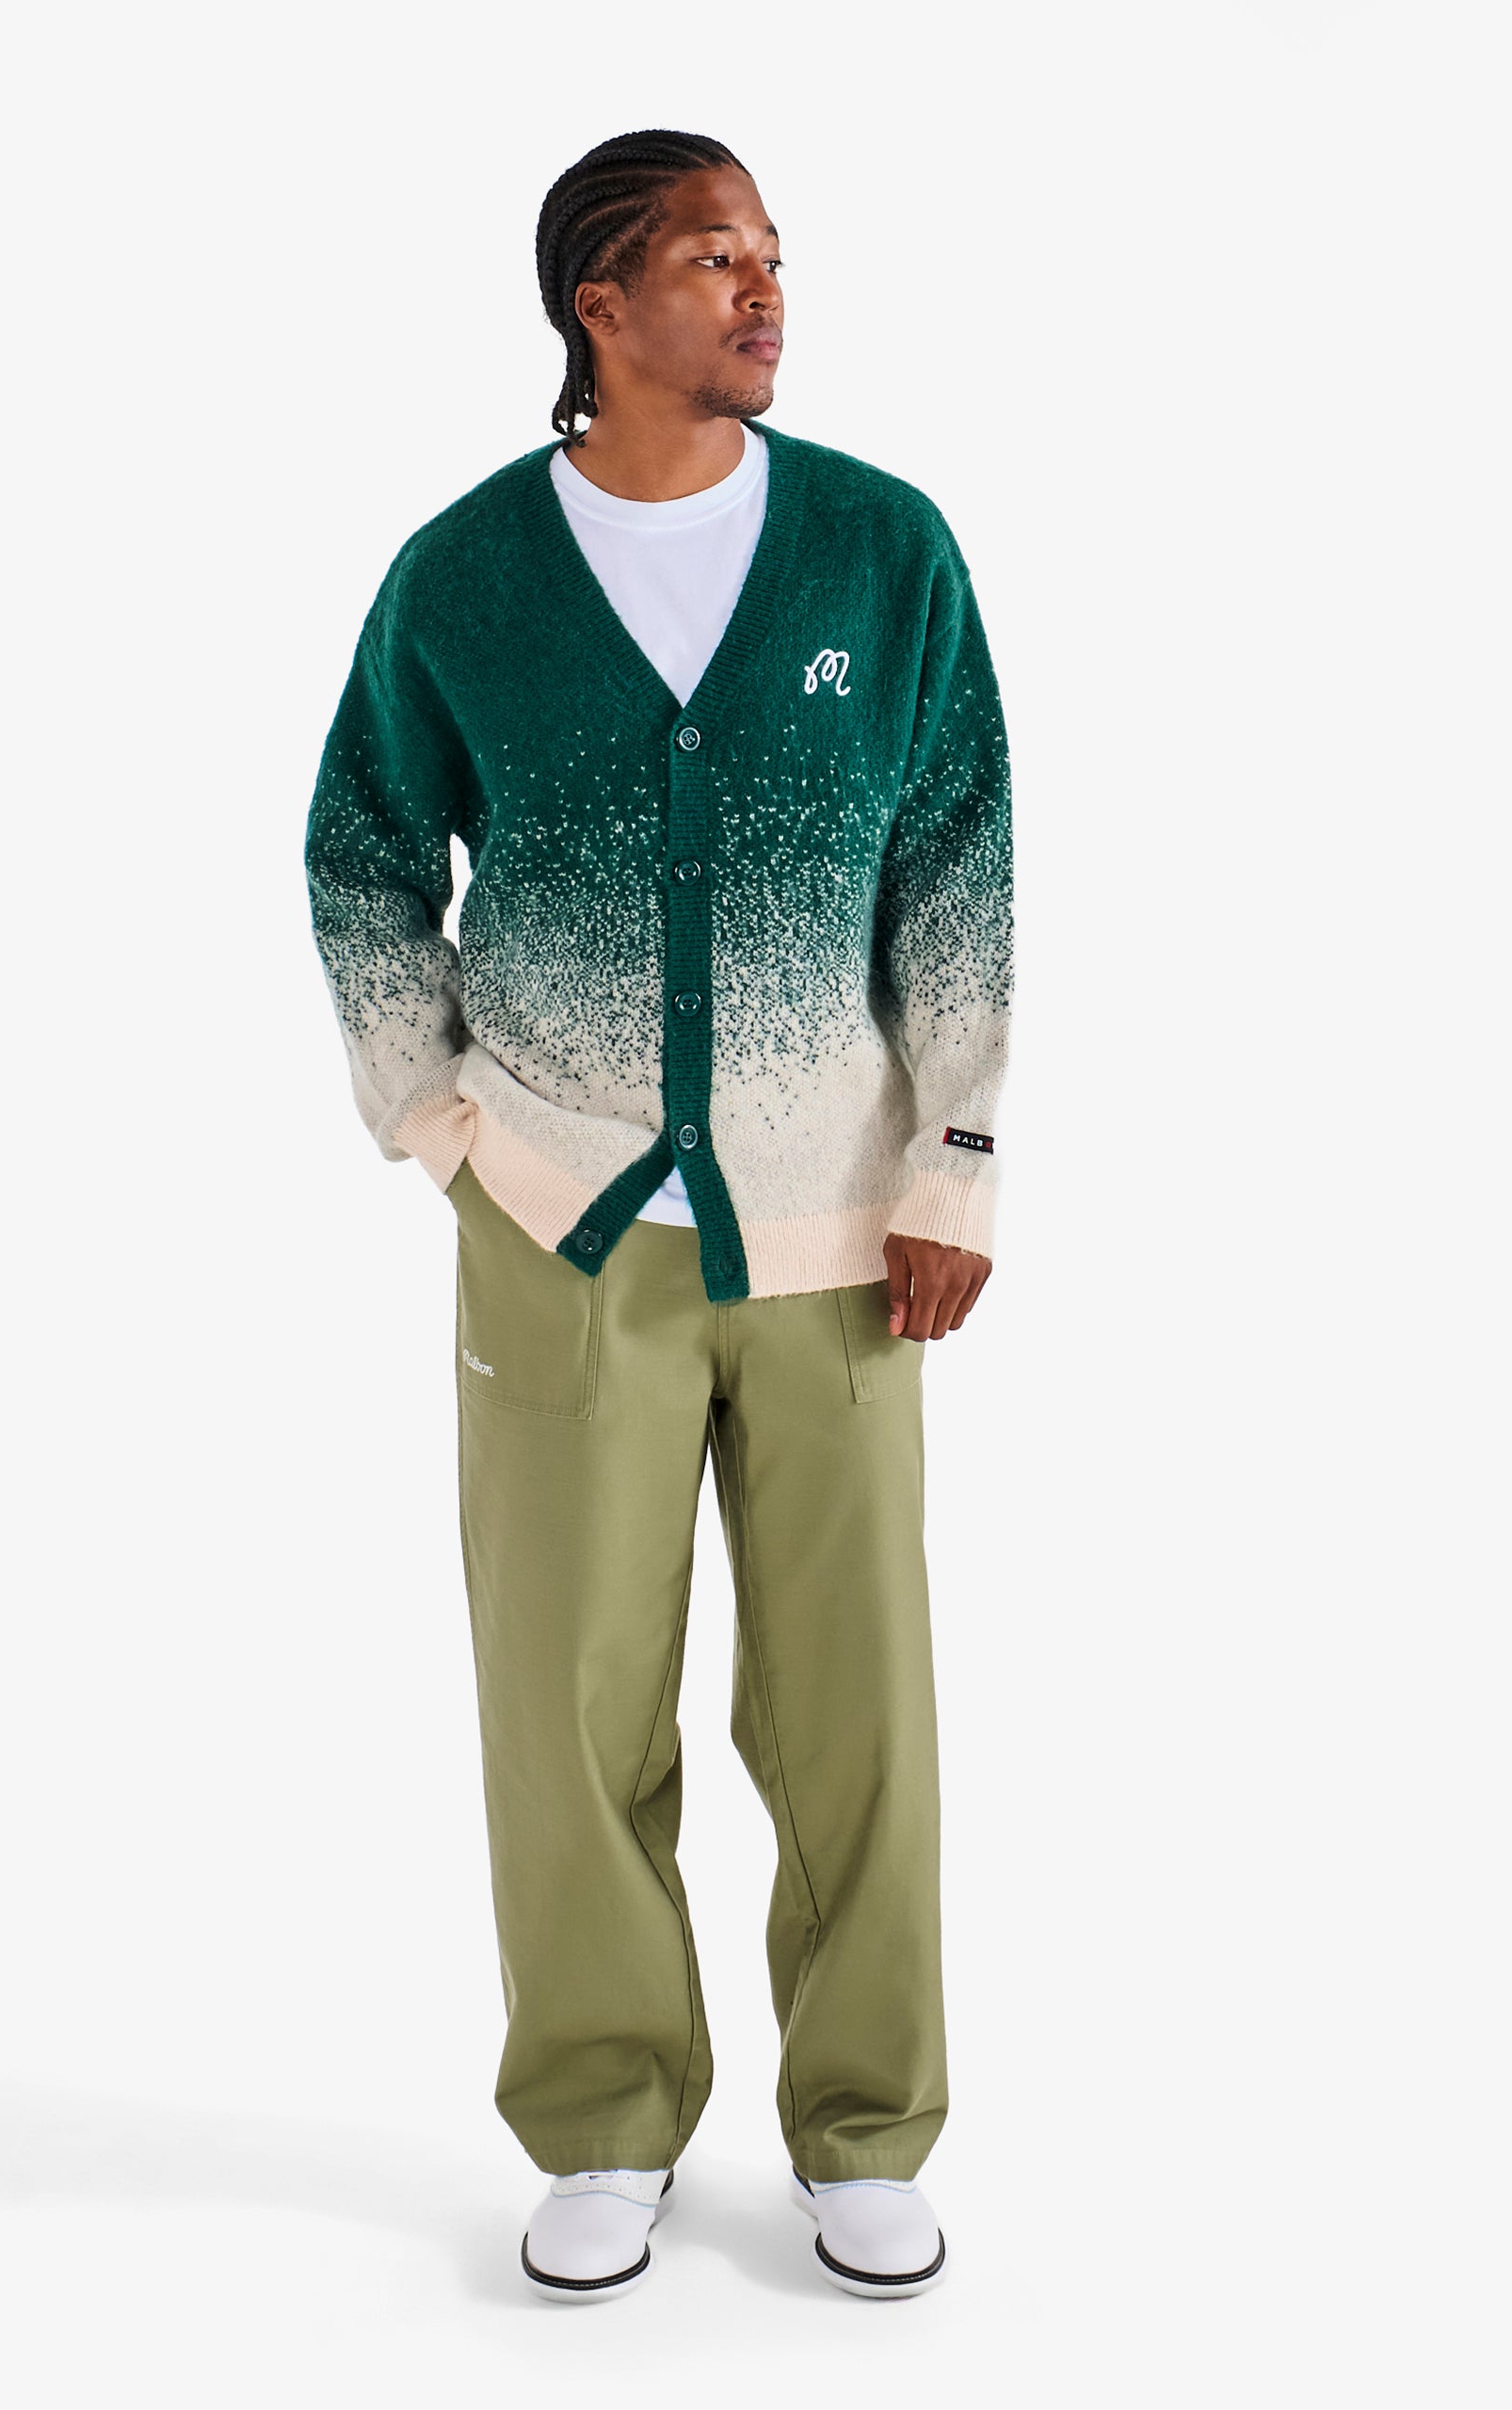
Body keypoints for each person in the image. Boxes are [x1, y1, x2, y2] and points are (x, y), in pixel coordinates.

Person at [303, 128, 1014, 2303]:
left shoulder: (884, 551)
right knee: (567, 1689)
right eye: (713, 255)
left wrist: (954, 1156)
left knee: (854, 1701)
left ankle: (864, 2122)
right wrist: (439, 1120)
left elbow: (960, 860)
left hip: (838, 1231)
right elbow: (362, 849)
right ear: (597, 304)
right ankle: (605, 2112)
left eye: (772, 253)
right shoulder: (463, 575)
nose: (764, 289)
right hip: (559, 1224)